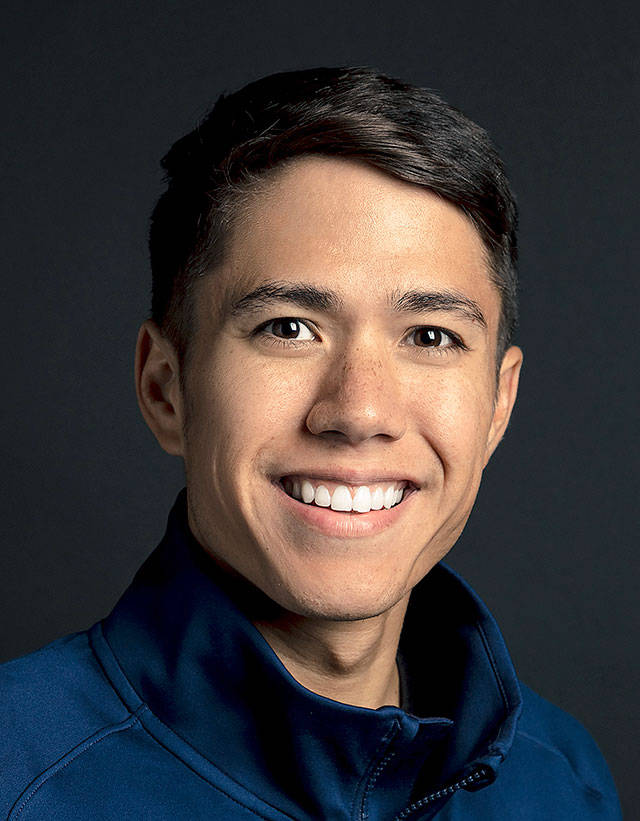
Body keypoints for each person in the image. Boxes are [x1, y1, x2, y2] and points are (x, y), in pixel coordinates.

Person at [0, 67, 622, 820]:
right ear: (166, 389)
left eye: (430, 336)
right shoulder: (16, 773)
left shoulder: (565, 784)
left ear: (499, 404)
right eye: (289, 328)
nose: (359, 411)